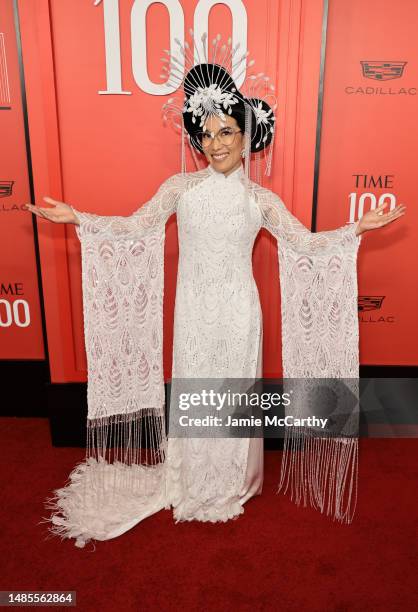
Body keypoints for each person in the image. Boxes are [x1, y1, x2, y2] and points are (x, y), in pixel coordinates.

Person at [24, 40, 405, 549]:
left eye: (226, 131)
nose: (216, 143)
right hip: (193, 313)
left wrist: (357, 228)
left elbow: (304, 245)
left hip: (240, 313)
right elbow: (137, 227)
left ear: (247, 136)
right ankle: (191, 477)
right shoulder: (179, 189)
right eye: (207, 134)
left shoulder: (261, 199)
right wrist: (80, 219)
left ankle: (230, 482)